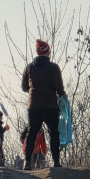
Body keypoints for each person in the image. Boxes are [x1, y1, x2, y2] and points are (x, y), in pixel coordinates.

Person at [21, 39, 66, 169]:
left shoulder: (29, 67)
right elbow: (59, 87)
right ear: (47, 52)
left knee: (32, 132)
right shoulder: (53, 67)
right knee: (54, 132)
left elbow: (24, 87)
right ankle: (56, 162)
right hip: (50, 105)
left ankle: (27, 162)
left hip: (33, 105)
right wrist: (62, 95)